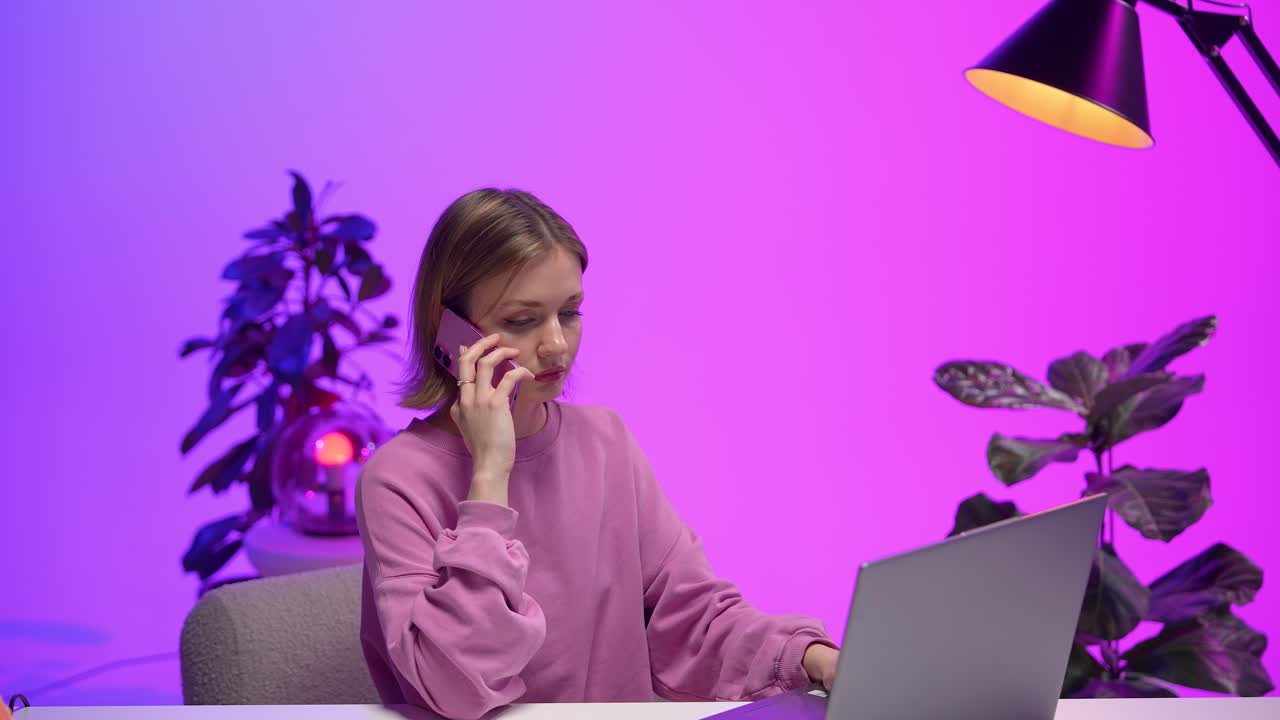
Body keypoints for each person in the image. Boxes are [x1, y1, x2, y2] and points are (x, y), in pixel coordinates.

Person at [357, 189, 839, 720]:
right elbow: (455, 685)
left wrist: (813, 658)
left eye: (569, 313)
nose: (556, 345)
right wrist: (490, 475)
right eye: (522, 321)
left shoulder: (605, 442)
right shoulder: (397, 479)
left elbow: (691, 620)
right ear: (449, 331)